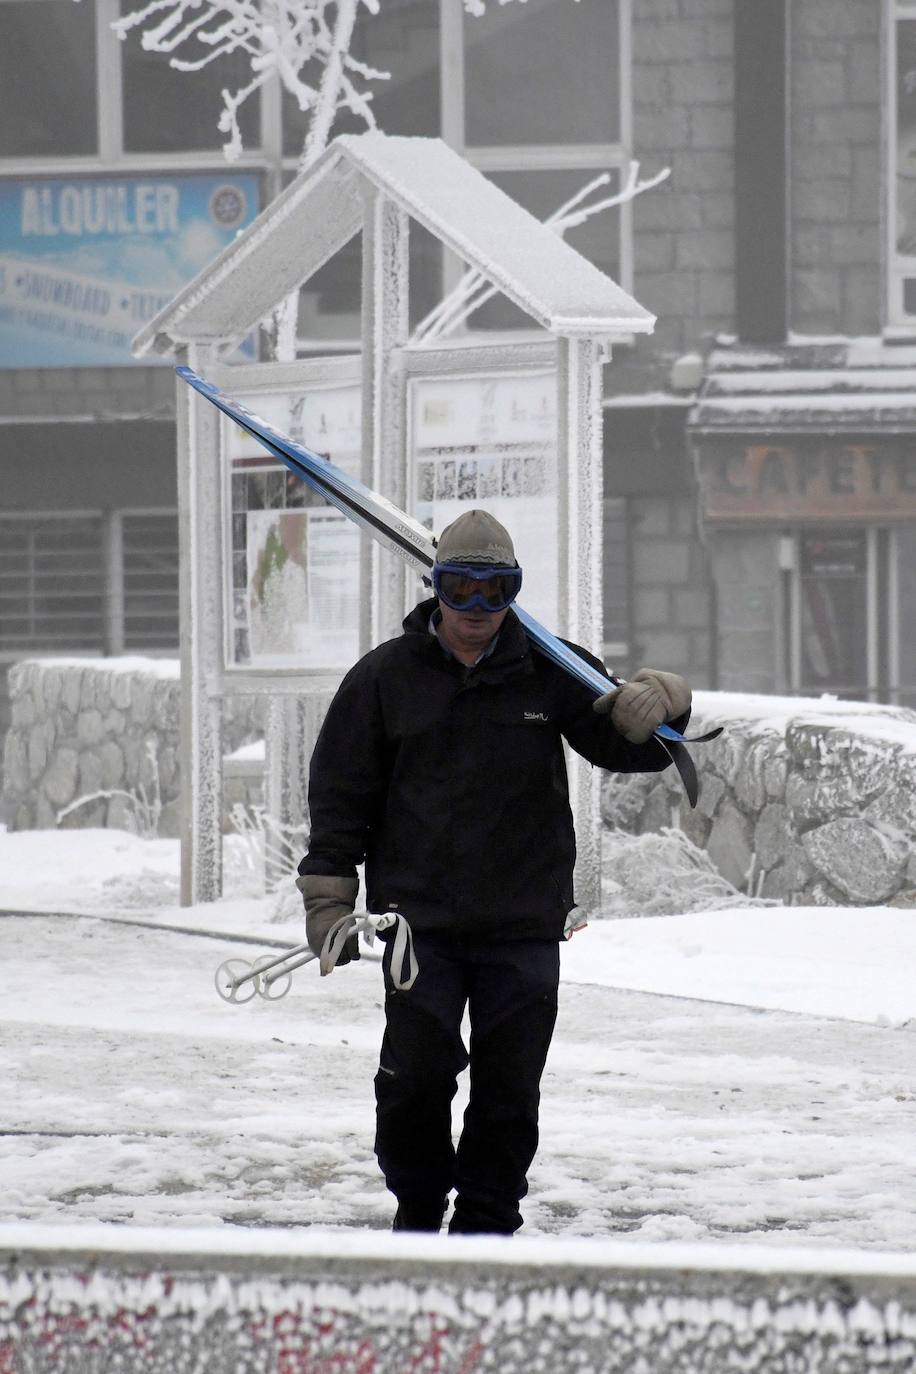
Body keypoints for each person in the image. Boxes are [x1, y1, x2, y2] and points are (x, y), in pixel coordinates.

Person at [297, 509, 691, 1236]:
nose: (477, 609)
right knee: (413, 1082)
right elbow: (340, 796)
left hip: (523, 926)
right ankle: (418, 1208)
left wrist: (665, 701)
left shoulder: (552, 667)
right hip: (421, 929)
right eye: (460, 588)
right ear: (433, 586)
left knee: (509, 1090)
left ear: (515, 591)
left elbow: (626, 744)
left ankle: (488, 1223)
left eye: (495, 590)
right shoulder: (386, 677)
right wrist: (328, 900)